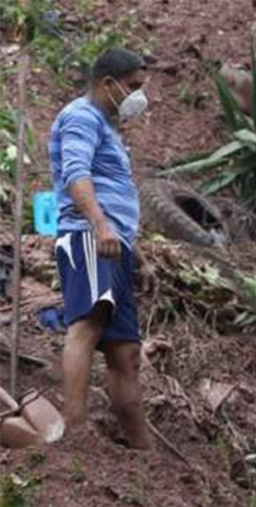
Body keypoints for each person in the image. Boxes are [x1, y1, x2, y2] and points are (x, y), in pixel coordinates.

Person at [49, 48, 153, 449]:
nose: (139, 97)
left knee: (125, 353)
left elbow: (117, 198)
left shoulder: (107, 128)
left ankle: (146, 460)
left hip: (114, 243)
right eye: (133, 87)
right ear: (108, 84)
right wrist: (99, 224)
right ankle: (74, 430)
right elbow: (76, 174)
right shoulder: (80, 117)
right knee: (89, 323)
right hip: (89, 236)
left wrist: (138, 256)